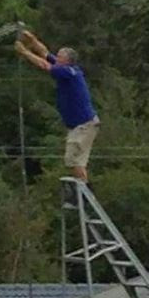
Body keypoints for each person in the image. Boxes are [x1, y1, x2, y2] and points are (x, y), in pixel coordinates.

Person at [15, 31, 99, 184]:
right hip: (82, 124)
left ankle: (83, 190)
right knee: (76, 161)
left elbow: (44, 64)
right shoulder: (66, 68)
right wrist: (32, 39)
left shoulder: (67, 71)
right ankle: (83, 189)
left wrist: (24, 52)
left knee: (73, 159)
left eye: (60, 57)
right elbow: (45, 53)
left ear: (67, 60)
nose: (57, 58)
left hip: (83, 125)